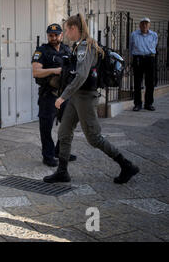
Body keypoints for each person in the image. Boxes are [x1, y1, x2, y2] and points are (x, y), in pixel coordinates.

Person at [43, 14, 139, 184]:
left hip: (85, 97)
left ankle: (126, 165)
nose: (65, 33)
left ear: (74, 28)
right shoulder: (79, 45)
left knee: (93, 137)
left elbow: (80, 76)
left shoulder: (85, 47)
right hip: (76, 96)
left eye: (66, 30)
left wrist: (62, 97)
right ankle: (62, 171)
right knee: (64, 132)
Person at [32, 23, 77, 167]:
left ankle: (60, 151)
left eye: (56, 35)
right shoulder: (42, 51)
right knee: (46, 126)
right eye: (51, 35)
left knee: (68, 124)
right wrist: (54, 70)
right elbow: (36, 72)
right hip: (48, 95)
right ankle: (48, 155)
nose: (53, 37)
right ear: (48, 36)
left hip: (64, 95)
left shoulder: (67, 49)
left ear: (61, 35)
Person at [130, 17, 158, 111]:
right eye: (143, 23)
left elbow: (154, 46)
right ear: (139, 25)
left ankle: (148, 104)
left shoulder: (154, 35)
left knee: (150, 83)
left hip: (150, 58)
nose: (144, 25)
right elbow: (131, 47)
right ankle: (137, 104)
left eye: (146, 23)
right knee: (137, 83)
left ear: (149, 25)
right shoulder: (134, 34)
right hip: (138, 59)